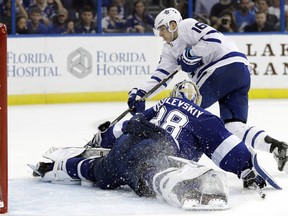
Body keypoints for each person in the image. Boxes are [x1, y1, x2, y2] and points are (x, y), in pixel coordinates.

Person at [30, 81, 269, 210]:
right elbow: (228, 149)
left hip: (127, 142)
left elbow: (121, 128)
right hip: (156, 147)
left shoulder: (162, 104)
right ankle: (183, 185)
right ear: (196, 100)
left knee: (99, 171)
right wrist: (248, 170)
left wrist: (101, 139)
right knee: (152, 173)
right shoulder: (204, 116)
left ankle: (54, 167)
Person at [126, 7, 288, 174]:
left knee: (183, 110)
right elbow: (160, 77)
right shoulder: (169, 50)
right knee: (234, 127)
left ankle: (173, 155)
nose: (160, 34)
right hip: (240, 74)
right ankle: (277, 147)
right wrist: (140, 93)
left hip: (222, 70)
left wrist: (191, 54)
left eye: (161, 29)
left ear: (172, 24)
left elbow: (214, 38)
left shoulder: (186, 26)